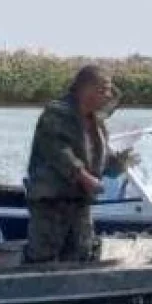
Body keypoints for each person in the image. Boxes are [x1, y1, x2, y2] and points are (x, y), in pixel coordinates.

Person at [24, 65, 134, 263]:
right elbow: (59, 153)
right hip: (52, 202)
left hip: (79, 203)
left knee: (81, 255)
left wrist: (120, 163)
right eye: (105, 89)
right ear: (88, 89)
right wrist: (84, 177)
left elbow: (101, 159)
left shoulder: (96, 122)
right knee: (43, 258)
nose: (109, 95)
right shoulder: (57, 114)